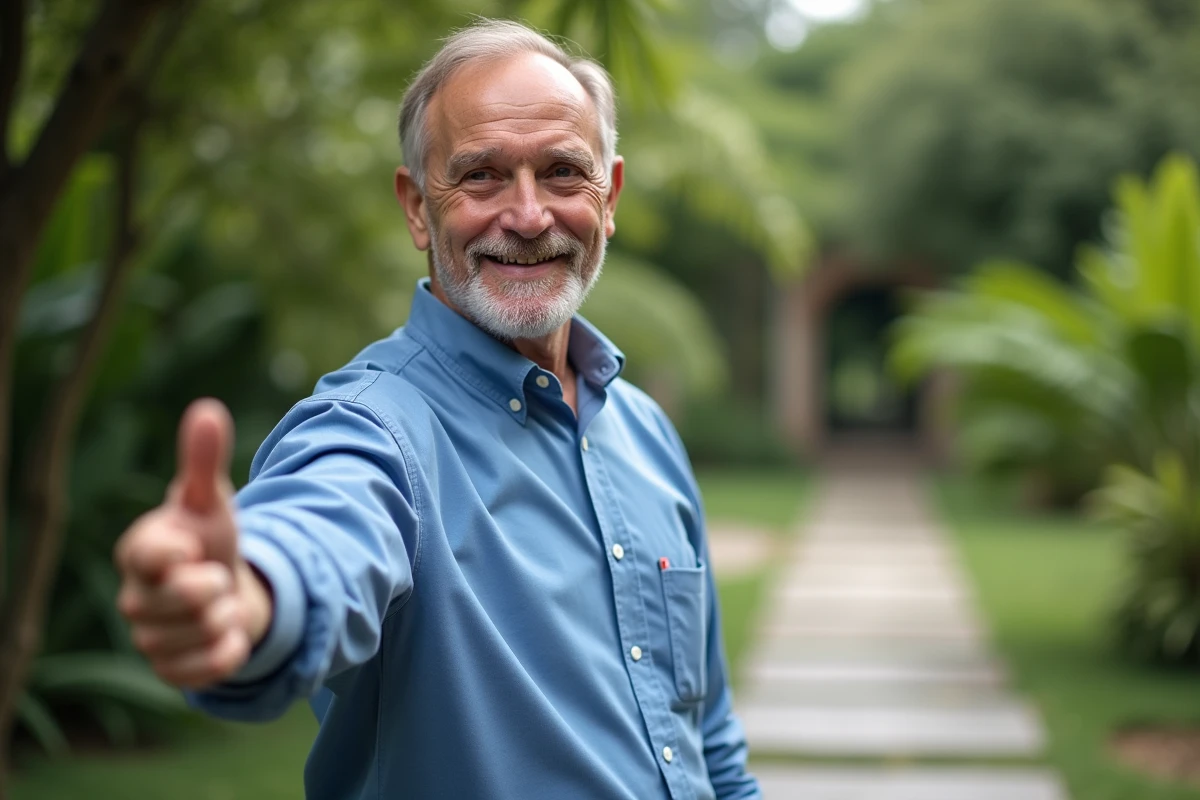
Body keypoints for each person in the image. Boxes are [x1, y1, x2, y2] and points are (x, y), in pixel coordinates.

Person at [114, 18, 760, 800]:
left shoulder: (645, 431)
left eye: (562, 172)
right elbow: (322, 532)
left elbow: (709, 745)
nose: (529, 215)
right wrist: (251, 596)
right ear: (418, 207)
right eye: (482, 176)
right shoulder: (373, 430)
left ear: (610, 195)